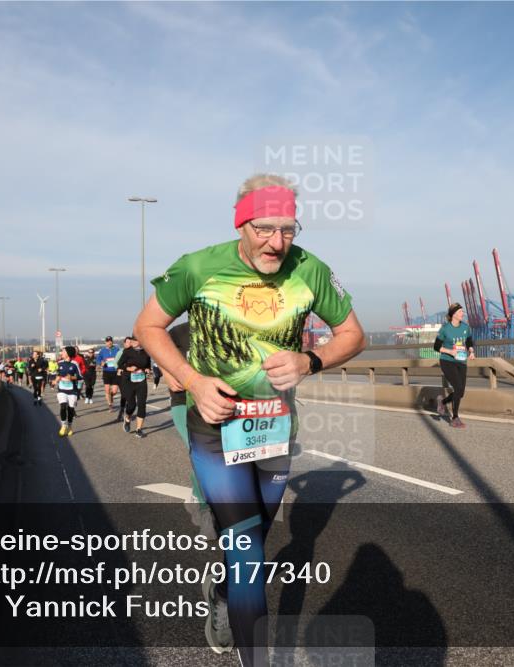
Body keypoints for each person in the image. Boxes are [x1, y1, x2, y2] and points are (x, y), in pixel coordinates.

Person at [134, 173, 365, 664]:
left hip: (274, 426)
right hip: (214, 428)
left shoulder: (310, 270)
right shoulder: (198, 267)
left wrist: (310, 360)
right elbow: (148, 325)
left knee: (255, 537)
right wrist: (192, 381)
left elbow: (352, 334)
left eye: (288, 230)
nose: (276, 243)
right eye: (264, 229)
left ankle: (222, 591)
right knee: (246, 549)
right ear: (240, 223)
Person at [162, 321, 216, 538]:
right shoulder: (179, 332)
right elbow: (158, 351)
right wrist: (167, 373)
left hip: (215, 402)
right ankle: (205, 511)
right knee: (201, 455)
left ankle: (196, 495)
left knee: (217, 458)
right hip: (183, 402)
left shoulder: (227, 328)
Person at [433, 303, 474, 428]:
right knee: (458, 387)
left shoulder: (466, 327)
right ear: (454, 314)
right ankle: (455, 418)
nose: (463, 313)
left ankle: (442, 402)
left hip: (461, 361)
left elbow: (469, 340)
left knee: (460, 392)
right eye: (460, 311)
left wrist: (471, 351)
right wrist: (450, 352)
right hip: (447, 361)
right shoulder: (445, 329)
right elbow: (436, 347)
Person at [117, 336, 152, 438]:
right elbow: (120, 364)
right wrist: (128, 368)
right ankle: (127, 418)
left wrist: (147, 369)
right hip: (128, 380)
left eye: (134, 341)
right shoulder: (127, 351)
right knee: (132, 404)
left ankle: (138, 429)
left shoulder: (146, 351)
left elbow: (148, 364)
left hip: (141, 380)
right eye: (131, 341)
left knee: (142, 404)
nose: (132, 342)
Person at [53, 346, 83, 436]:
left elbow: (80, 377)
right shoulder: (60, 363)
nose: (61, 353)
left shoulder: (74, 364)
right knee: (63, 407)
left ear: (68, 353)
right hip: (62, 389)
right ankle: (63, 425)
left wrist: (72, 377)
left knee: (70, 409)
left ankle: (69, 426)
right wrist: (55, 381)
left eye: (63, 351)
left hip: (72, 390)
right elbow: (58, 374)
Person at [95, 336, 122, 411]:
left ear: (112, 342)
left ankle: (111, 396)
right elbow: (98, 359)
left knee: (114, 391)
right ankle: (110, 405)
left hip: (115, 372)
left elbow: (121, 358)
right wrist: (101, 363)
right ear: (105, 342)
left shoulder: (117, 349)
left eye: (110, 341)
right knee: (107, 390)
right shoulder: (102, 350)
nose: (109, 342)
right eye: (107, 341)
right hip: (106, 372)